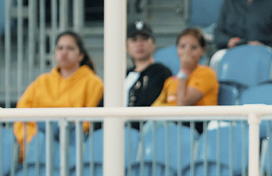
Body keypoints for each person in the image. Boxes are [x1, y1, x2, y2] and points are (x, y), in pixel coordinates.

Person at [14, 31, 103, 159]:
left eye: (70, 48)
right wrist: (33, 137)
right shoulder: (41, 81)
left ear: (81, 55)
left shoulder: (94, 83)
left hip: (73, 141)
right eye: (60, 48)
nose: (64, 52)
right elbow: (21, 114)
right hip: (39, 142)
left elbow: (89, 122)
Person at [153, 28, 219, 108]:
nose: (187, 52)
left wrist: (184, 70)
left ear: (202, 51)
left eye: (193, 47)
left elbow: (182, 104)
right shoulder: (171, 81)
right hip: (169, 120)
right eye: (182, 46)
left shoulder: (207, 74)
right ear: (177, 50)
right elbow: (155, 107)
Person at [125, 21, 172, 109]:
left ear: (153, 43)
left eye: (144, 38)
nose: (139, 44)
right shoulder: (123, 75)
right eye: (134, 40)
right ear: (127, 46)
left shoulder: (160, 72)